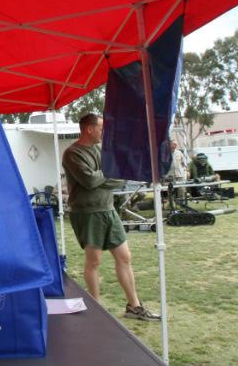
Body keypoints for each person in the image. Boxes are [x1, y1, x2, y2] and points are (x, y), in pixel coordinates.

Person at [62, 113, 160, 321]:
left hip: (108, 209)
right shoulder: (72, 153)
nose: (103, 132)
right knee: (94, 261)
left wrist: (104, 175)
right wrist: (107, 174)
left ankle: (134, 307)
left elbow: (119, 178)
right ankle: (97, 309)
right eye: (101, 128)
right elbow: (89, 181)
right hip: (88, 213)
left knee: (124, 257)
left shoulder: (100, 151)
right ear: (89, 129)